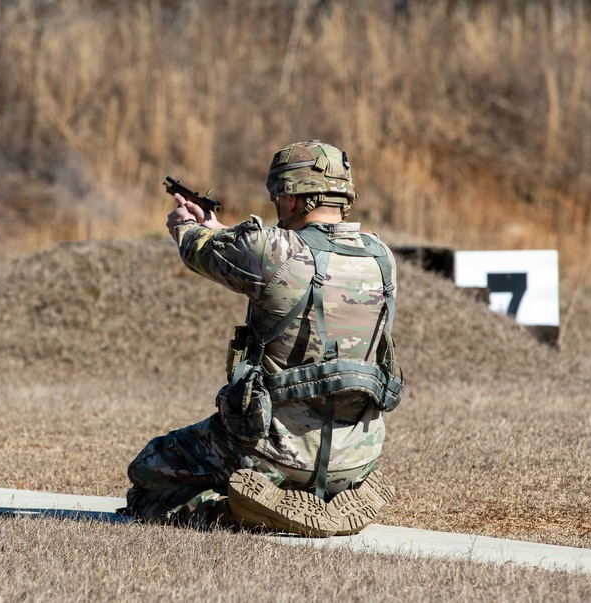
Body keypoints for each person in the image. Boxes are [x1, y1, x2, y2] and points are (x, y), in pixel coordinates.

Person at [125, 140, 403, 536]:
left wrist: (185, 226)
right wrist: (217, 227)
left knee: (148, 473)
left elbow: (200, 251)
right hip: (358, 453)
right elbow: (267, 252)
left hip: (270, 450)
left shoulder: (273, 249)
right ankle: (331, 492)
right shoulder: (381, 256)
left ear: (289, 198)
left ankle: (238, 513)